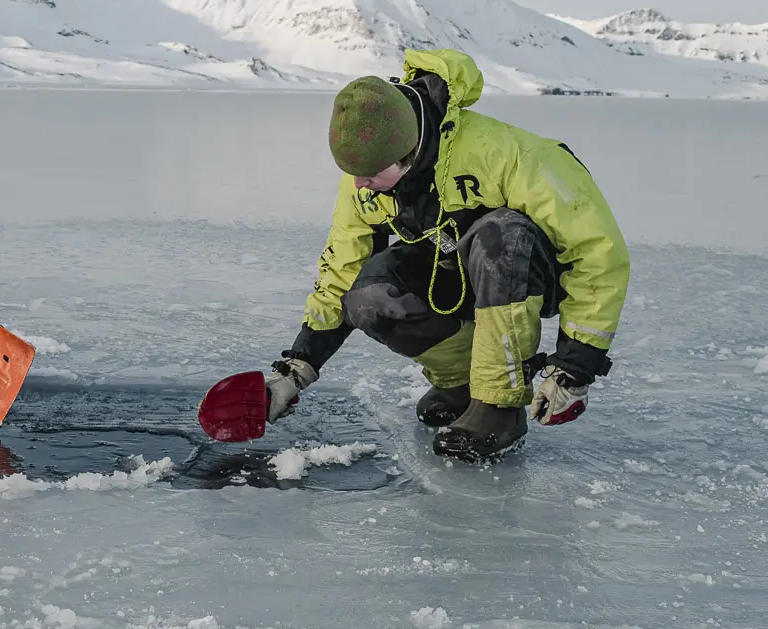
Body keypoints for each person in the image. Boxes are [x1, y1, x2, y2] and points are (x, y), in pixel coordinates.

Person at [261, 49, 630, 462]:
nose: (361, 185)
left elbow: (595, 251)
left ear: (408, 152)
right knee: (368, 296)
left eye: (370, 173)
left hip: (525, 276)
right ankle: (461, 386)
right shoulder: (364, 180)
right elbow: (340, 272)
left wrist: (573, 370)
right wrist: (297, 369)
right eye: (353, 173)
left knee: (499, 235)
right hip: (453, 273)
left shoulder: (512, 157)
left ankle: (498, 407)